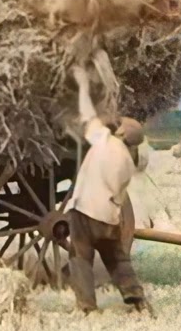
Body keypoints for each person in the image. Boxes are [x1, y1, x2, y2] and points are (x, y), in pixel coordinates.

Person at [58, 61, 155, 315]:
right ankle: (136, 298)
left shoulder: (104, 142)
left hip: (85, 214)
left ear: (122, 134)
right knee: (118, 259)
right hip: (109, 218)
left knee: (80, 259)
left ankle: (88, 308)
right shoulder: (127, 161)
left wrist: (80, 83)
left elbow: (87, 115)